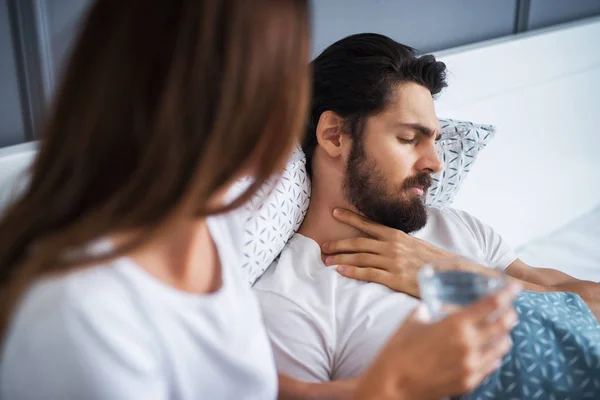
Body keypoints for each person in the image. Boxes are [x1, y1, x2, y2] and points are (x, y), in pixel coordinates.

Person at [0, 2, 519, 399]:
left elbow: (245, 384)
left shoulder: (211, 228)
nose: (288, 108)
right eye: (273, 80)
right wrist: (393, 384)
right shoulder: (81, 313)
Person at [253, 33, 600, 385]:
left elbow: (594, 307)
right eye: (408, 139)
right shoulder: (290, 300)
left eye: (434, 140)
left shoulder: (457, 228)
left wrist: (456, 275)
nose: (436, 163)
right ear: (334, 136)